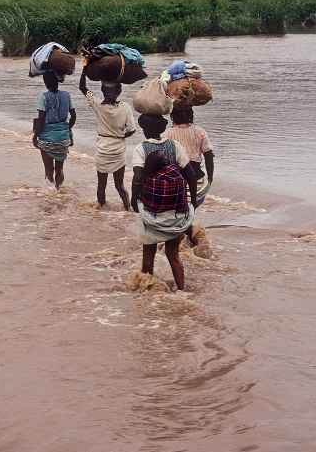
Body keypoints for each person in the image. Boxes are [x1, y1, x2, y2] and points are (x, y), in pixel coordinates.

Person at [132, 150, 191, 290]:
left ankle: (146, 291)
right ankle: (182, 290)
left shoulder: (151, 180)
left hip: (154, 224)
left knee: (147, 259)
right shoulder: (178, 175)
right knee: (173, 256)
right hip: (176, 223)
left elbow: (144, 202)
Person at [79, 68, 136, 209]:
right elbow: (132, 130)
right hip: (118, 151)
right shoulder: (125, 107)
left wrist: (85, 71)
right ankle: (128, 210)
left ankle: (100, 209)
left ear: (103, 91)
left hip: (103, 151)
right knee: (120, 186)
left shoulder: (97, 104)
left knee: (101, 185)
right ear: (119, 92)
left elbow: (83, 87)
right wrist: (121, 136)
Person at [32, 73, 76, 189]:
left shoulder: (43, 96)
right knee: (59, 169)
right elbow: (73, 115)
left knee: (48, 169)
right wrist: (67, 128)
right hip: (63, 138)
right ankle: (59, 191)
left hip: (47, 138)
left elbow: (41, 119)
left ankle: (50, 195)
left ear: (45, 83)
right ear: (58, 81)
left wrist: (35, 136)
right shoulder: (66, 95)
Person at [163, 105, 215, 185]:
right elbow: (208, 155)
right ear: (191, 115)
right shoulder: (200, 131)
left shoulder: (167, 133)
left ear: (172, 116)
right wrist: (210, 178)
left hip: (174, 175)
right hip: (195, 173)